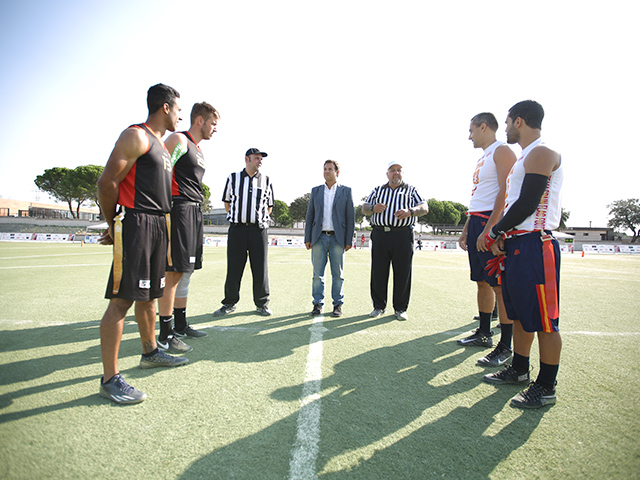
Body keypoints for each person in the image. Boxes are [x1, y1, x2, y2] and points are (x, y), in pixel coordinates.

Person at [96, 84, 188, 405]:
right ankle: (110, 378)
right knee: (121, 302)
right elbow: (107, 182)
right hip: (135, 223)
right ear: (165, 107)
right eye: (178, 109)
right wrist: (114, 224)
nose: (180, 115)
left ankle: (150, 352)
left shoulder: (163, 148)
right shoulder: (136, 136)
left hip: (157, 225)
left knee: (150, 295)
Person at [482, 100, 564, 409]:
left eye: (506, 123)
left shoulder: (543, 152)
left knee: (544, 320)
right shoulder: (523, 158)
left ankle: (546, 385)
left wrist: (494, 231)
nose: (504, 129)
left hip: (535, 245)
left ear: (519, 121)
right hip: (517, 245)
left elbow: (527, 203)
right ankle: (519, 368)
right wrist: (504, 234)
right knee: (519, 314)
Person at [156, 102, 220, 352]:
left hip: (194, 211)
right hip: (178, 208)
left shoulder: (198, 149)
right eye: (213, 124)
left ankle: (181, 324)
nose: (215, 129)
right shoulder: (179, 141)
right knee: (173, 272)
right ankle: (165, 333)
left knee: (186, 270)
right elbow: (160, 172)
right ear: (200, 121)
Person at [457, 112, 517, 368]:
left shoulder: (502, 151)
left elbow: (507, 191)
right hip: (477, 222)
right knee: (482, 282)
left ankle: (506, 346)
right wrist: (467, 228)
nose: (469, 136)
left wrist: (491, 229)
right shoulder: (484, 157)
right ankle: (484, 333)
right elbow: (480, 196)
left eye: (471, 130)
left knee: (500, 288)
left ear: (484, 127)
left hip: (489, 225)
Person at [362, 162, 427, 321]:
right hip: (380, 234)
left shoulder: (411, 190)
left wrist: (410, 211)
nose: (395, 173)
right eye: (392, 170)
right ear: (387, 174)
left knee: (403, 273)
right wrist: (372, 209)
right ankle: (379, 306)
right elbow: (364, 207)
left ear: (402, 173)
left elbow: (424, 207)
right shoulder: (378, 190)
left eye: (398, 170)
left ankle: (400, 308)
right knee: (378, 272)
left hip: (402, 235)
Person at [213, 148, 274, 317]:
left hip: (258, 231)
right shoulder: (233, 178)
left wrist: (258, 218)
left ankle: (262, 304)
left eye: (261, 159)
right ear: (247, 159)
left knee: (260, 268)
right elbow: (227, 202)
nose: (260, 161)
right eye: (256, 158)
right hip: (237, 230)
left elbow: (269, 206)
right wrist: (238, 216)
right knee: (234, 267)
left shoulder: (266, 180)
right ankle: (229, 303)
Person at [304, 160, 355, 317]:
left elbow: (350, 217)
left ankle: (337, 304)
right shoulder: (316, 191)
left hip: (337, 239)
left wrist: (348, 240)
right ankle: (317, 304)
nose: (327, 171)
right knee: (317, 275)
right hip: (318, 237)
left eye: (330, 169)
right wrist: (308, 237)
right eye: (325, 169)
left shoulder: (346, 191)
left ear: (337, 172)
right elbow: (310, 214)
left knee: (337, 275)